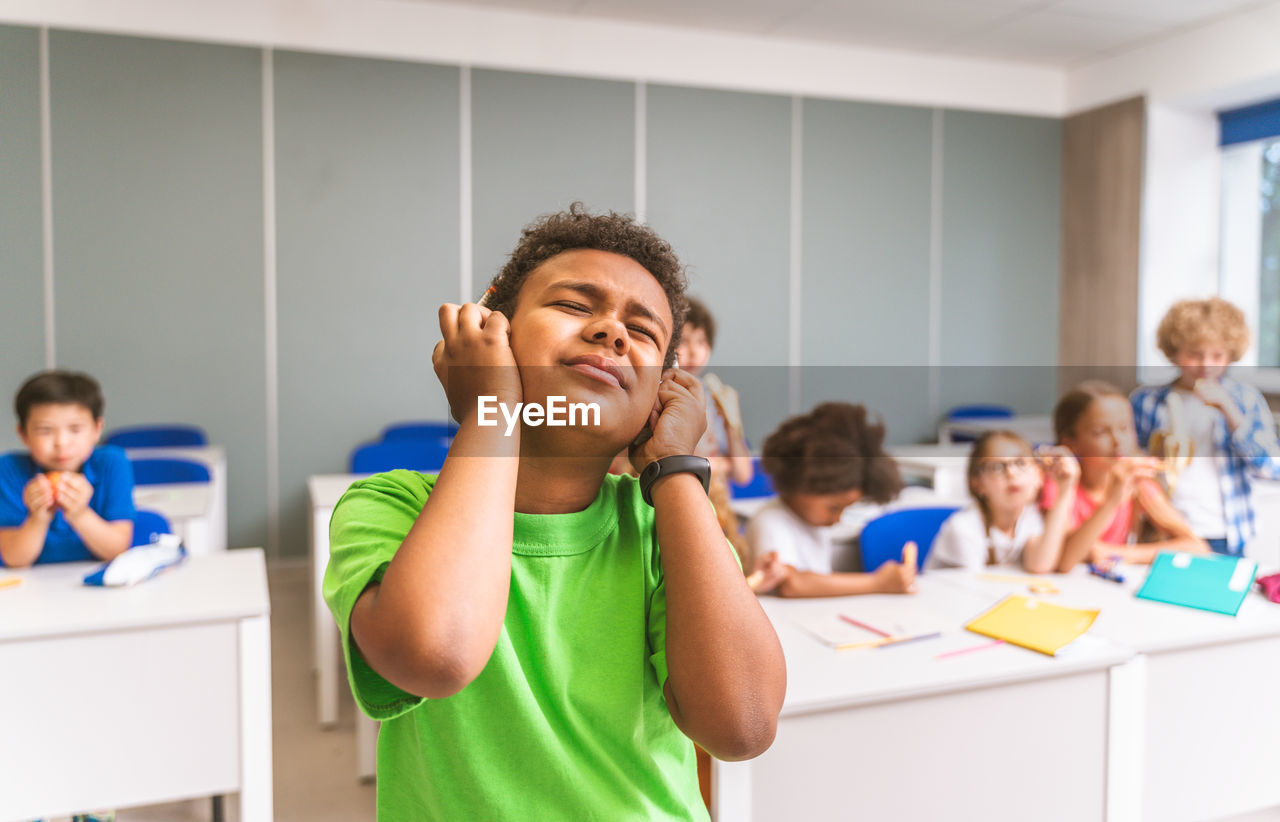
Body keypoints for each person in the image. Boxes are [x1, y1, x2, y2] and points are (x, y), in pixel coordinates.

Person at [323, 204, 786, 820]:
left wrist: (674, 466)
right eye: (573, 306)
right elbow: (435, 653)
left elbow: (743, 726)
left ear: (663, 391)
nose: (613, 334)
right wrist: (492, 408)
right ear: (492, 329)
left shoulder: (663, 532)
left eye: (643, 333)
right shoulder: (392, 505)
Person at [1131, 297, 1280, 556]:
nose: (1206, 364)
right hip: (1163, 528)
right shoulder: (1146, 401)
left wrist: (1230, 413)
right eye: (1194, 354)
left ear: (1231, 354)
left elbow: (1271, 468)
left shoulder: (1245, 399)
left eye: (1217, 355)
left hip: (1224, 532)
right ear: (1174, 352)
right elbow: (1129, 463)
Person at [746, 402, 916, 596]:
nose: (837, 519)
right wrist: (878, 582)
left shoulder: (813, 523)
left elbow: (818, 579)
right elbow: (791, 583)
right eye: (834, 508)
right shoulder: (771, 521)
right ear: (802, 485)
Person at [1047, 381, 1207, 571]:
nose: (1118, 441)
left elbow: (1197, 547)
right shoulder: (1058, 485)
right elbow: (1066, 561)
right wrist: (1112, 500)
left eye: (1124, 429)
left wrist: (1113, 553)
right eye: (1100, 432)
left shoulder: (1139, 484)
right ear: (1070, 442)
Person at [0, 370, 134, 568]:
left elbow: (116, 550)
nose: (61, 443)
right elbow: (15, 559)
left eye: (75, 429)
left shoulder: (112, 463)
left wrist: (80, 514)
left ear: (97, 429)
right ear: (23, 434)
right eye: (45, 431)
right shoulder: (9, 470)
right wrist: (37, 518)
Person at [925, 430, 1077, 574]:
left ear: (1039, 475)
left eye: (1020, 463)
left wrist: (1064, 492)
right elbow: (970, 590)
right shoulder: (963, 528)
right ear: (977, 484)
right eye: (997, 467)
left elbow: (1040, 564)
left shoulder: (1029, 516)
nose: (1011, 473)